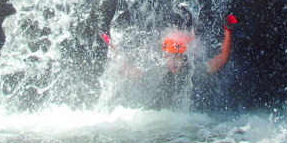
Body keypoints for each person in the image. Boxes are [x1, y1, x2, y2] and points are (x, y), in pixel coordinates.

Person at [101, 14, 238, 109]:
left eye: (177, 57)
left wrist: (228, 30)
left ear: (187, 57)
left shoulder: (195, 71)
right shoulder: (158, 71)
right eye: (168, 57)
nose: (173, 62)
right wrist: (112, 47)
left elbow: (222, 58)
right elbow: (129, 69)